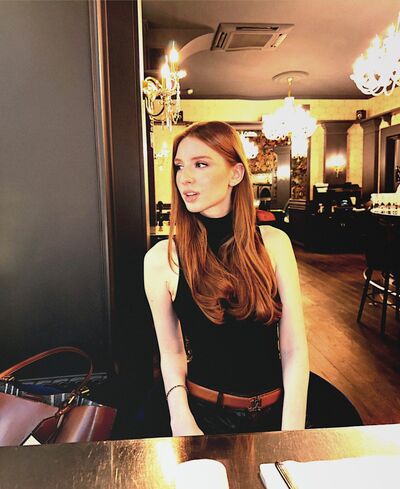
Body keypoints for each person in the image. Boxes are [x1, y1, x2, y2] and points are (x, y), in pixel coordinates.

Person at [144, 121, 309, 436]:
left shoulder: (275, 243)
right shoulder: (161, 259)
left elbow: (293, 347)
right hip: (204, 416)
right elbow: (172, 353)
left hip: (279, 412)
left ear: (235, 174)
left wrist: (291, 434)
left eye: (200, 164)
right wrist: (181, 420)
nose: (184, 177)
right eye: (179, 166)